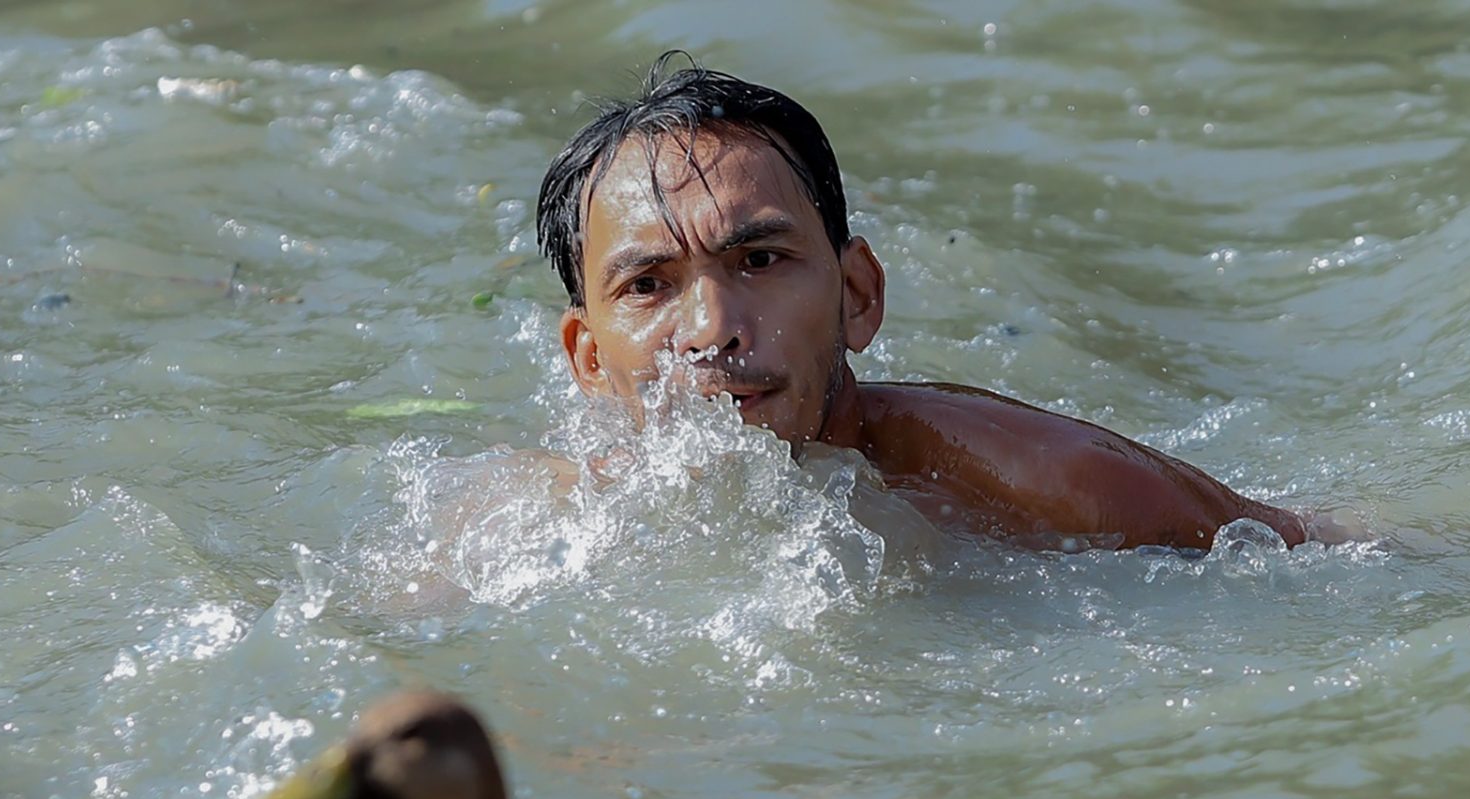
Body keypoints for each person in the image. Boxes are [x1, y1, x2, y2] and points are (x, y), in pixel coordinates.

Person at [535, 57, 1343, 551]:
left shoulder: (1050, 483)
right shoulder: (537, 532)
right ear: (591, 358)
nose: (711, 332)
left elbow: (1343, 559)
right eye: (648, 285)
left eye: (760, 260)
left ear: (858, 297)